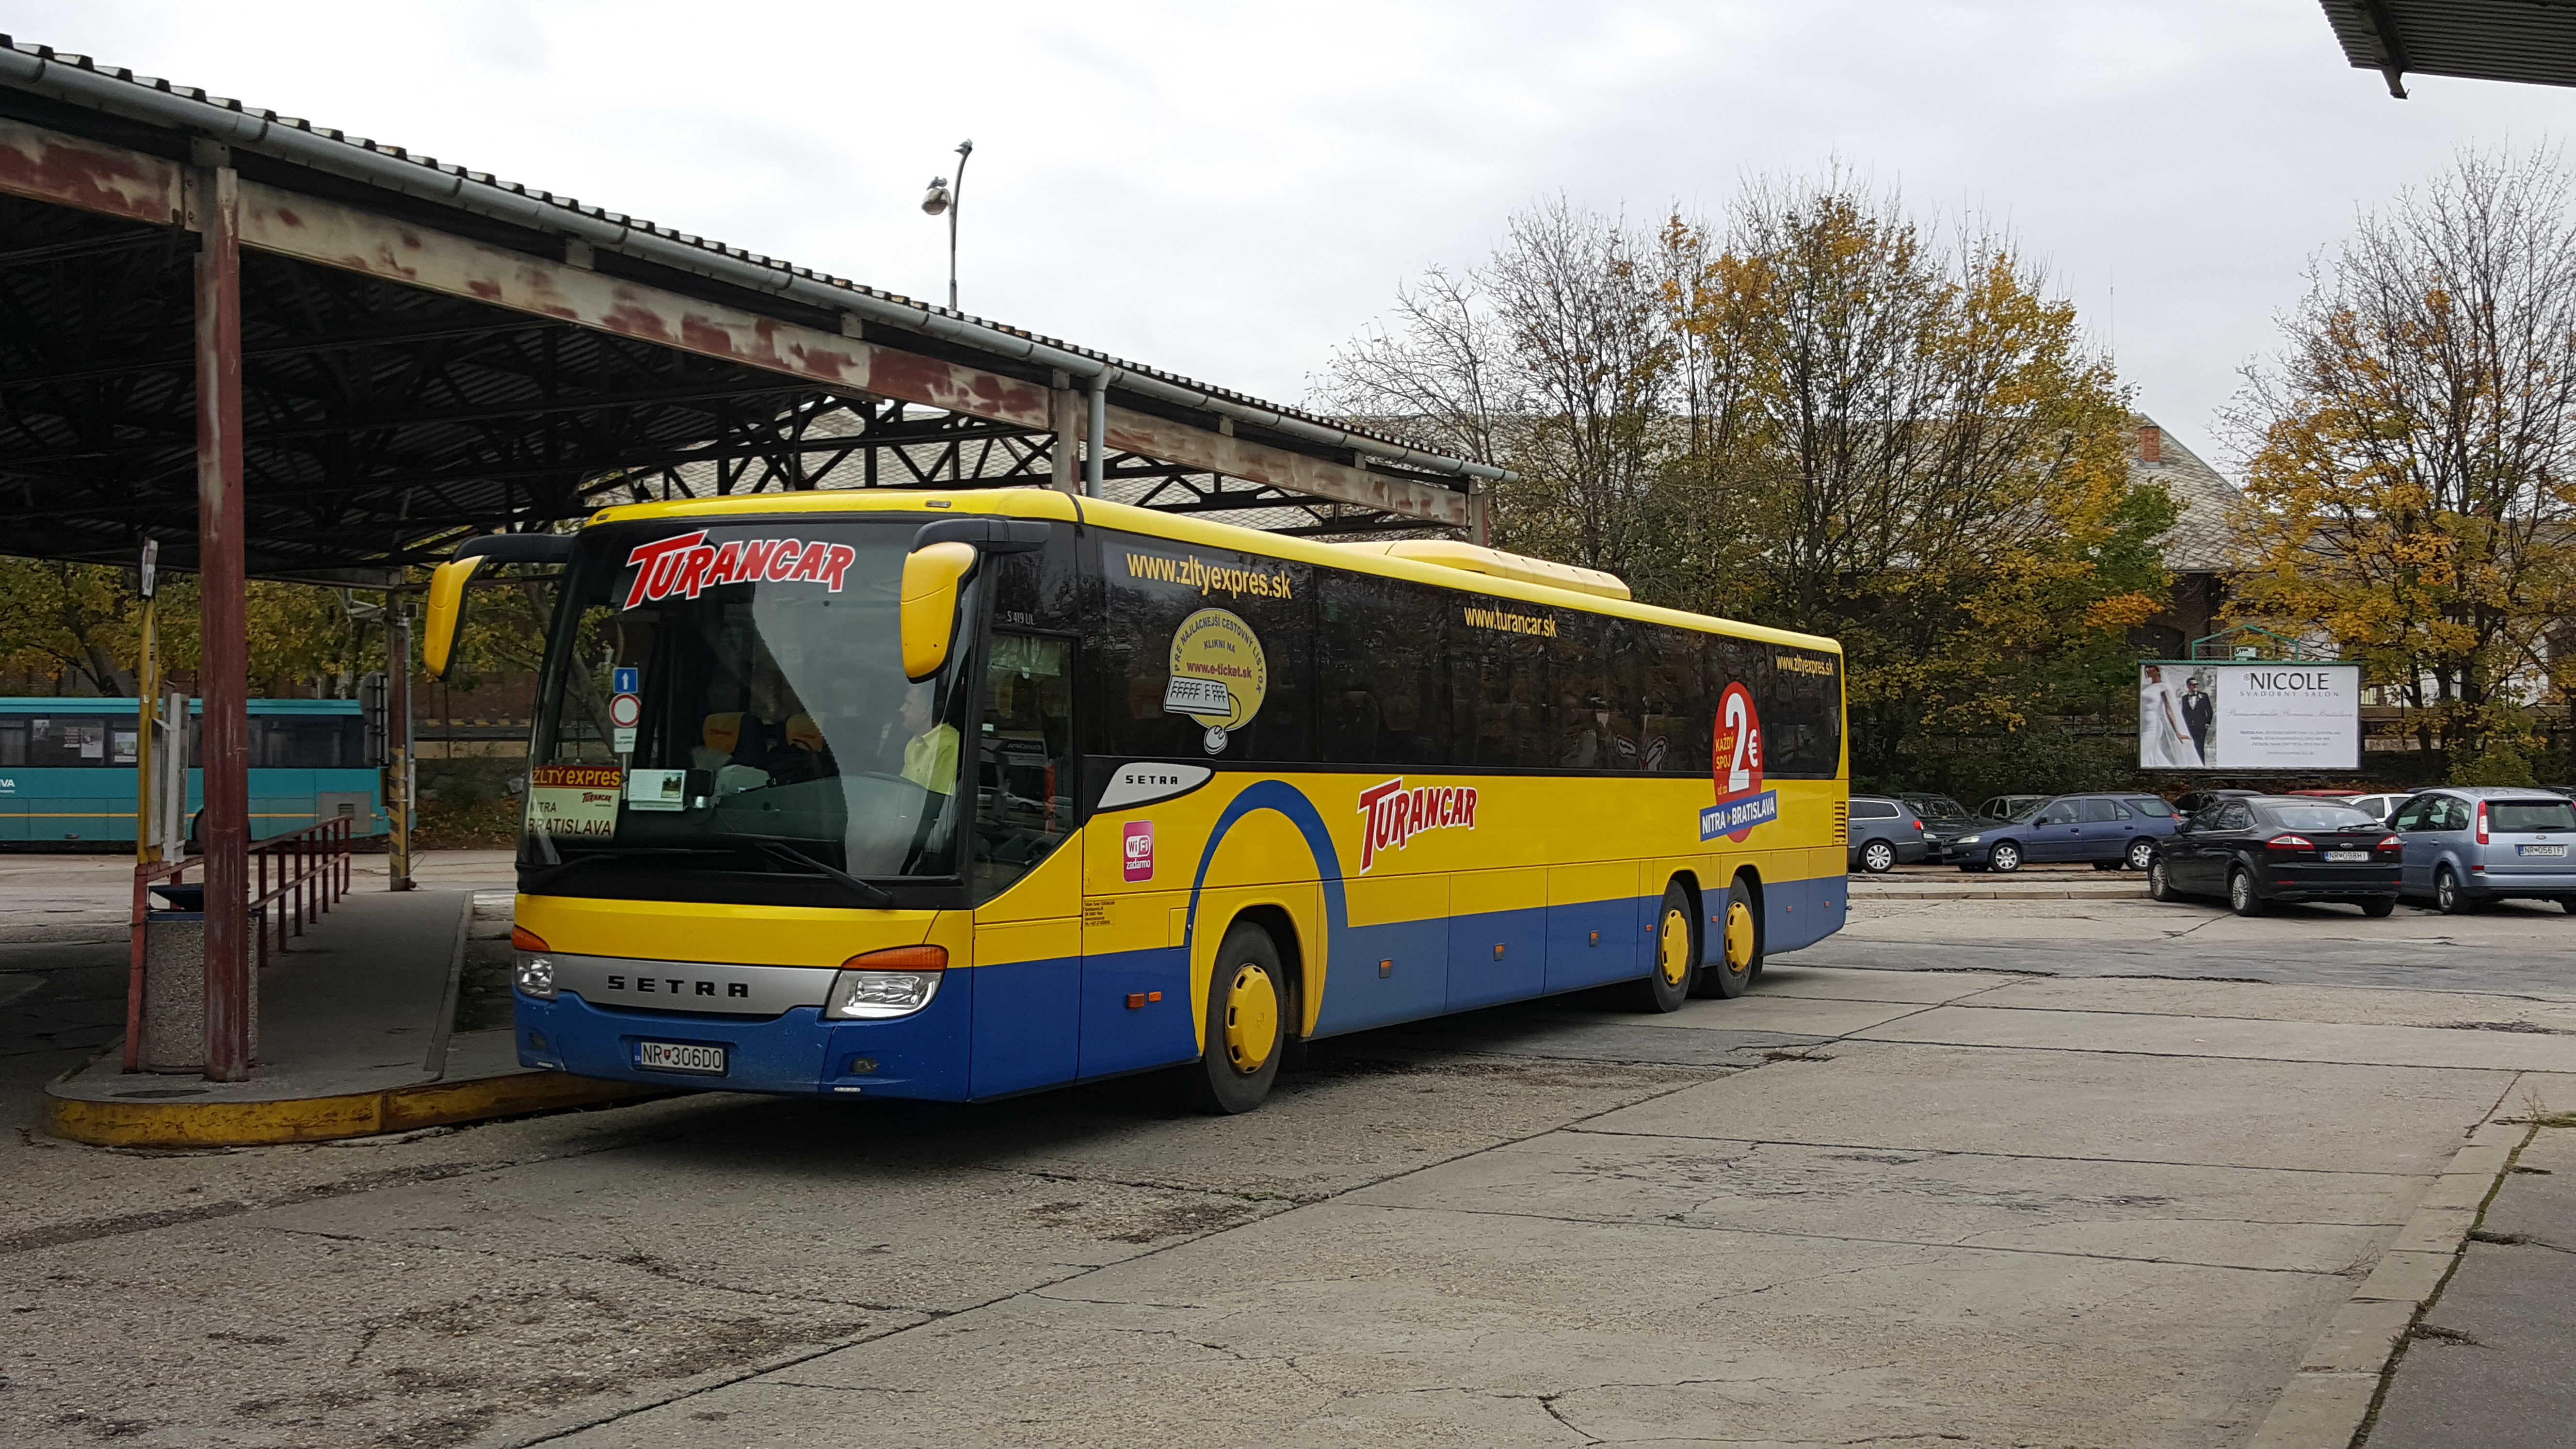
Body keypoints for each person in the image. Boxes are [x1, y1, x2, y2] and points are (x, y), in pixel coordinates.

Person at [881, 682, 959, 797]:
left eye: (909, 703)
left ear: (925, 712)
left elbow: (937, 803)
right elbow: (902, 794)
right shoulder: (913, 743)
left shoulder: (948, 745)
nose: (902, 709)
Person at [2139, 665, 2195, 769]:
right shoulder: (2145, 687)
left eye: (2151, 668)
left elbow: (2169, 709)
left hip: (2153, 726)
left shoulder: (2163, 687)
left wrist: (2177, 732)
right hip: (2142, 724)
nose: (2148, 670)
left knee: (2143, 752)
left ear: (2157, 671)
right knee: (2153, 754)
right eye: (2147, 668)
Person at [2180, 675, 2216, 765]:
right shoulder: (2185, 698)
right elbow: (2184, 712)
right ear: (2189, 686)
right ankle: (2190, 764)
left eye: (2197, 684)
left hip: (2201, 726)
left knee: (2200, 746)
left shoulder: (2204, 696)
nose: (2196, 686)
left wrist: (2207, 723)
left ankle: (2201, 765)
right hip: (2189, 726)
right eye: (2193, 685)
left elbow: (2210, 711)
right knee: (2189, 746)